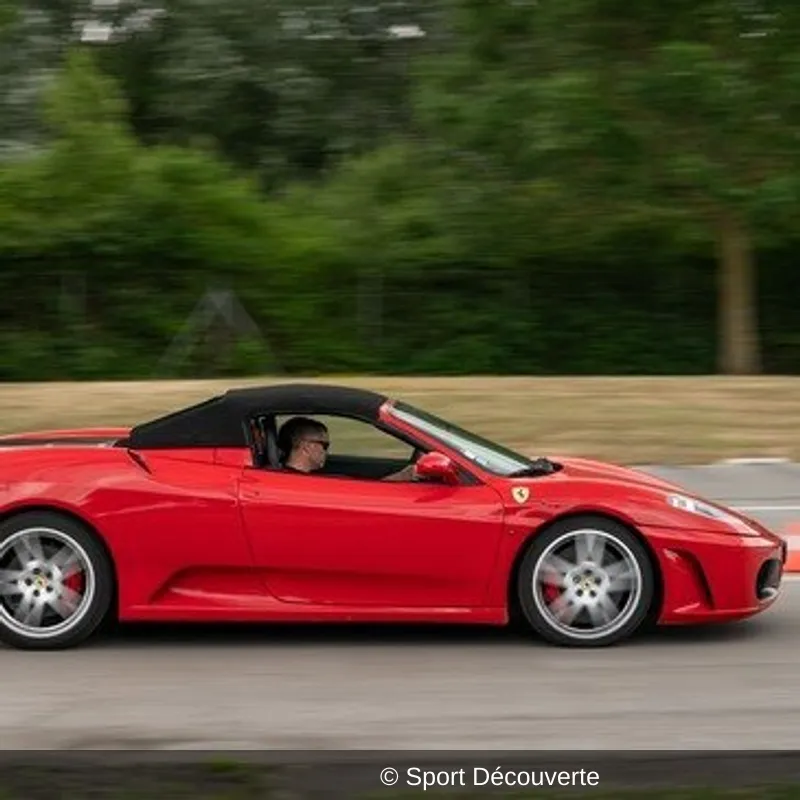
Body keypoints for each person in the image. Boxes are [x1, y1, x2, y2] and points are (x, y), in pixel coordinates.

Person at [278, 416, 416, 481]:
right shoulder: (304, 484)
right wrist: (404, 476)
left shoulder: (293, 477)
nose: (327, 452)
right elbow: (364, 498)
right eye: (325, 446)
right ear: (307, 447)